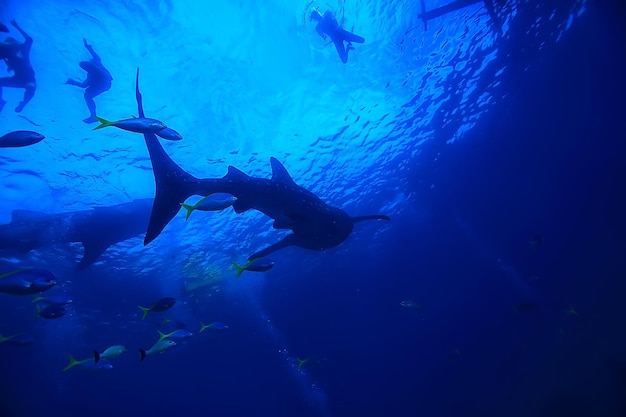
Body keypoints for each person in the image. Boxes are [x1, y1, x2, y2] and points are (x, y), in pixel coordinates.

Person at [65, 38, 112, 123]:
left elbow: (95, 56)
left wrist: (88, 47)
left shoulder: (96, 63)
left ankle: (93, 116)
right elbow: (83, 85)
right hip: (102, 84)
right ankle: (93, 116)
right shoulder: (90, 77)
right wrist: (72, 82)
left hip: (105, 79)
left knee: (96, 66)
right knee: (87, 95)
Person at [0, 19, 36, 113]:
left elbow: (29, 40)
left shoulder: (22, 50)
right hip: (16, 79)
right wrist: (9, 66)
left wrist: (16, 26)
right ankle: (1, 101)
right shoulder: (7, 57)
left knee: (31, 88)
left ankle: (22, 104)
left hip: (28, 80)